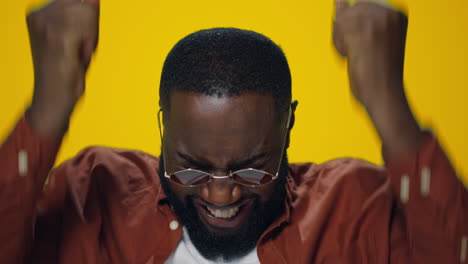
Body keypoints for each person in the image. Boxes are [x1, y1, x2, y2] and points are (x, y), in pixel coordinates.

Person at [0, 0, 466, 263]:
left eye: (250, 169)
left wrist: (389, 107)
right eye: (192, 168)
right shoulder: (92, 192)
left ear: (288, 128)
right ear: (162, 126)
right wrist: (46, 113)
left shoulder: (355, 207)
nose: (221, 196)